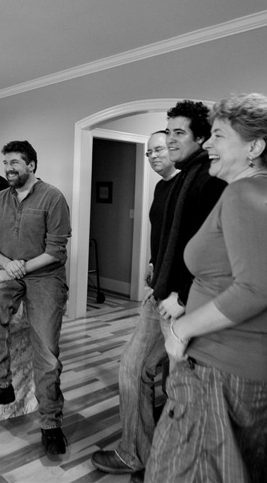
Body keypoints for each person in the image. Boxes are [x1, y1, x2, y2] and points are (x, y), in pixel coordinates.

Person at [146, 93, 267, 482]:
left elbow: (254, 290)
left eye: (218, 136)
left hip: (220, 371)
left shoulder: (244, 194)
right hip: (247, 368)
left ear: (254, 147)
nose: (208, 145)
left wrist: (182, 329)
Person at [91, 101, 226, 481]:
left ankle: (159, 462)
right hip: (161, 295)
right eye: (168, 134)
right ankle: (143, 454)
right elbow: (174, 240)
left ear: (201, 138)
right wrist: (157, 266)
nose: (166, 145)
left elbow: (215, 250)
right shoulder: (176, 184)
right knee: (141, 372)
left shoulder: (209, 180)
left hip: (181, 304)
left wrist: (181, 296)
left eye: (177, 134)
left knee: (167, 383)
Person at [0, 140, 71, 456]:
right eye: (6, 163)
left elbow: (56, 251)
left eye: (15, 162)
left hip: (45, 277)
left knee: (47, 351)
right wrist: (7, 264)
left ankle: (51, 423)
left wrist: (22, 266)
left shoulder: (53, 197)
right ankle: (0, 385)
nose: (9, 168)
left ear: (31, 165)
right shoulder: (0, 199)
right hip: (11, 273)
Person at [145, 130, 180, 286]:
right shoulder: (160, 186)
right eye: (149, 152)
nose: (153, 156)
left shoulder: (185, 184)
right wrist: (152, 263)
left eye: (158, 150)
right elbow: (158, 232)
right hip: (160, 269)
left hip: (177, 275)